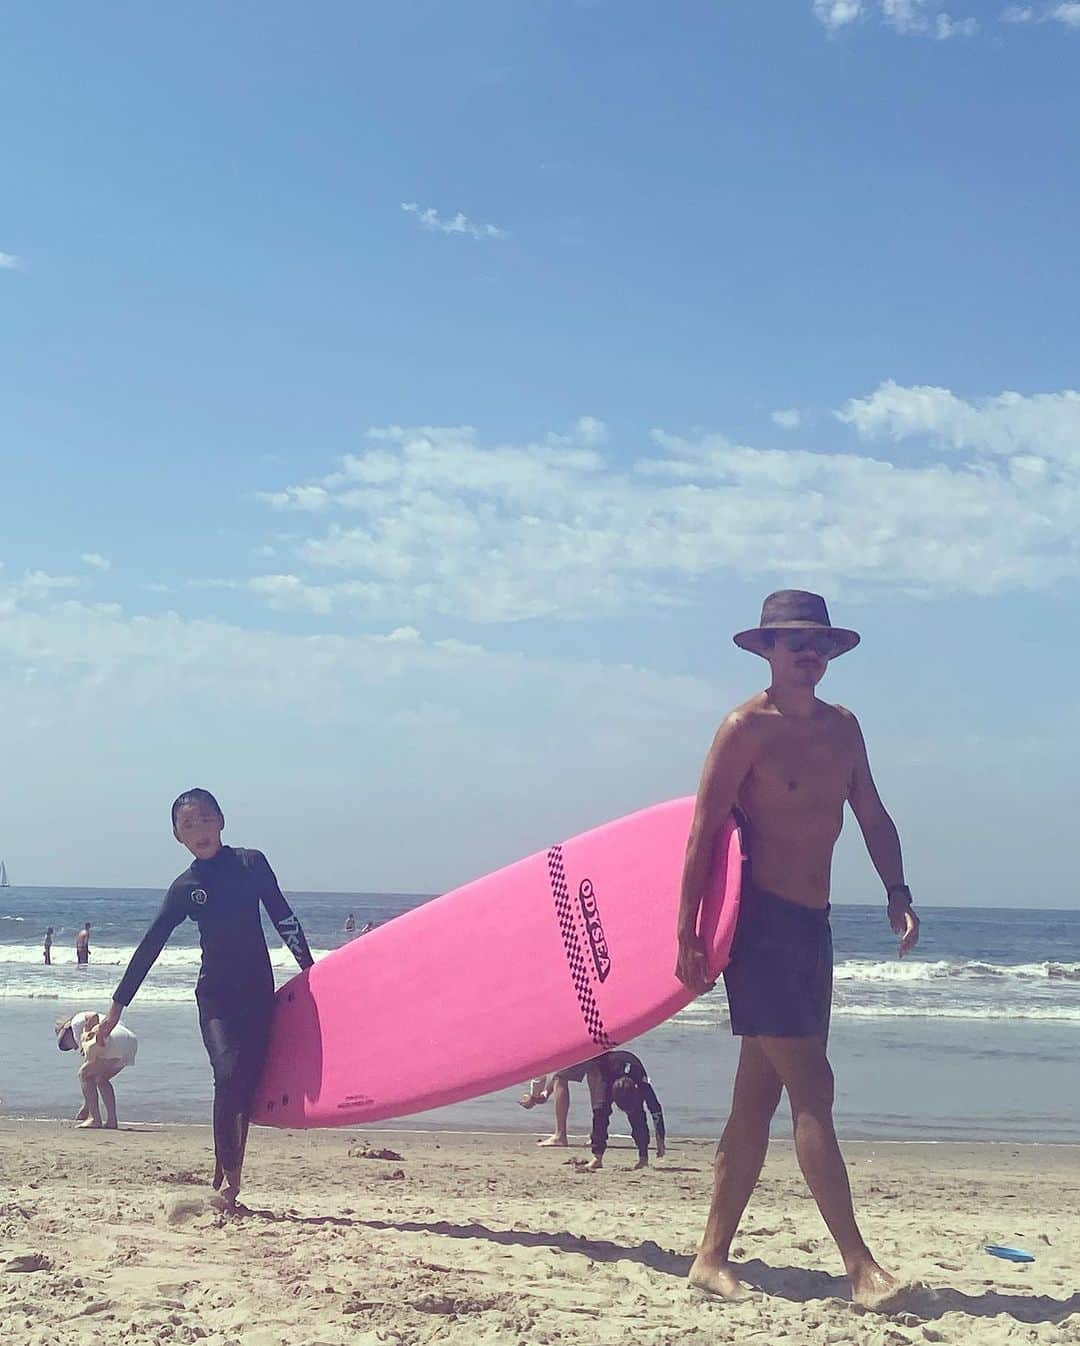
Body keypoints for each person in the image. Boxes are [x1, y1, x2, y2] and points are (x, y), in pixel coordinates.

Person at [674, 591, 920, 1312]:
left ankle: (710, 1256)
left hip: (814, 926)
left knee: (757, 1097)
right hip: (760, 928)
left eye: (818, 642)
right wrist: (686, 933)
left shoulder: (844, 730)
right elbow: (700, 831)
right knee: (814, 1088)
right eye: (792, 642)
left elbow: (871, 811)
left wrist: (897, 891)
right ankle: (859, 1266)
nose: (807, 653)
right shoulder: (744, 729)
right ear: (768, 651)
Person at [94, 788, 315, 1210]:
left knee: (244, 1087)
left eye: (205, 819)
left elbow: (282, 914)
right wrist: (115, 1009)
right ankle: (229, 1184)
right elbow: (150, 946)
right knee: (228, 1073)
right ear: (177, 836)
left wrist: (311, 969)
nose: (199, 829)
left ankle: (226, 1172)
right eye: (187, 824)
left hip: (257, 995)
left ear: (221, 821)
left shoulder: (251, 864)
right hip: (215, 997)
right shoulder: (186, 887)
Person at [527, 1050, 666, 1168]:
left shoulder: (641, 1084)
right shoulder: (606, 1080)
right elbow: (600, 1115)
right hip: (606, 1067)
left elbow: (656, 1109)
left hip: (630, 1070)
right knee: (600, 1112)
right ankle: (597, 1157)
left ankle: (643, 1158)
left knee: (637, 1116)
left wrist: (660, 1139)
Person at [56, 1009, 138, 1129]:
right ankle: (111, 1121)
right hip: (130, 1042)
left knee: (83, 1074)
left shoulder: (76, 1022)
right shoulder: (85, 1033)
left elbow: (92, 1016)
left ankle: (94, 1119)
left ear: (66, 1030)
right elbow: (90, 1078)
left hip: (112, 1040)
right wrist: (86, 1105)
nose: (71, 1048)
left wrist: (89, 1032)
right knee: (101, 1079)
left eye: (64, 1042)